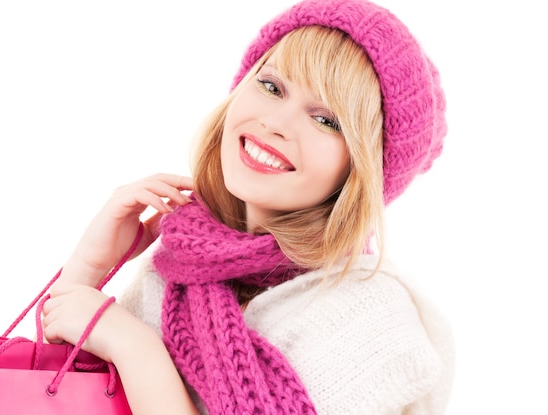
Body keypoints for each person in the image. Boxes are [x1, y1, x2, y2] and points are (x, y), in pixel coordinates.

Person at [41, 0, 455, 413]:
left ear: (361, 169)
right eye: (272, 87)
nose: (275, 123)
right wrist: (88, 269)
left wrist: (137, 349)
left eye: (326, 120)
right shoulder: (175, 273)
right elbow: (55, 397)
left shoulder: (369, 318)